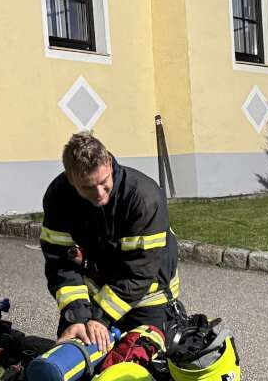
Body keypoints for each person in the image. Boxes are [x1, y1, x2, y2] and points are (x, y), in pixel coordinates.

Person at [40, 133, 181, 352]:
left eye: (104, 182)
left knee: (145, 367)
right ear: (71, 179)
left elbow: (140, 272)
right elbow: (60, 262)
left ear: (109, 164)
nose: (99, 194)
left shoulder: (142, 197)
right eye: (88, 187)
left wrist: (100, 317)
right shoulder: (59, 197)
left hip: (146, 298)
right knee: (72, 362)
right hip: (94, 298)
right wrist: (78, 316)